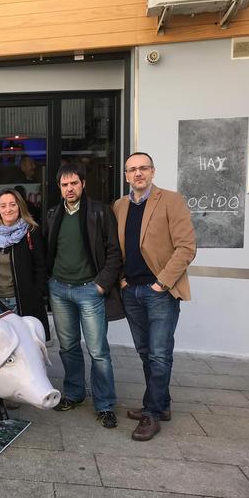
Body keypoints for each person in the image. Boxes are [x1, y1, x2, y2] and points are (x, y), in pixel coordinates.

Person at [113, 152, 196, 441]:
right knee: (146, 352)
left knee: (160, 354)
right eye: (132, 169)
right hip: (132, 290)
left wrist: (161, 283)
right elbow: (118, 248)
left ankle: (151, 413)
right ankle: (162, 405)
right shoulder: (120, 206)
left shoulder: (171, 201)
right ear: (125, 175)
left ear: (152, 171)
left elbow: (186, 248)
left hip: (159, 291)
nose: (138, 173)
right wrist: (122, 279)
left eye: (143, 168)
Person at [45, 163, 123, 429]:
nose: (69, 189)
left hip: (90, 289)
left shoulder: (100, 212)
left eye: (74, 183)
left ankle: (105, 404)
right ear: (60, 188)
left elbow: (114, 252)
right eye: (65, 185)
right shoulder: (53, 214)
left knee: (98, 351)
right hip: (60, 289)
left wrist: (101, 285)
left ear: (83, 184)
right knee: (68, 348)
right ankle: (75, 393)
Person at [0, 188, 49, 339]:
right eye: (3, 205)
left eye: (12, 204)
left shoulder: (31, 232)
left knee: (26, 346)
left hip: (23, 302)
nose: (8, 209)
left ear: (20, 206)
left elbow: (40, 267)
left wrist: (37, 294)